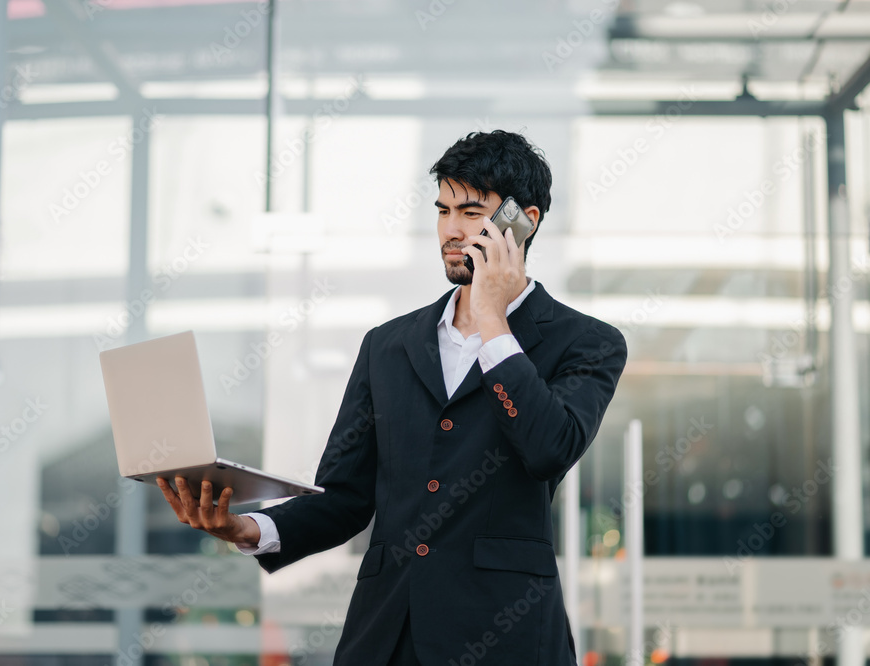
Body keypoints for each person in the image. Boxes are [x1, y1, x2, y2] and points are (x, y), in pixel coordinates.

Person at [157, 129, 627, 665]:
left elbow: (549, 447)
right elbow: (345, 496)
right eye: (443, 210)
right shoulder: (389, 345)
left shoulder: (587, 342)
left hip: (506, 637)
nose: (451, 230)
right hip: (385, 637)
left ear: (525, 221)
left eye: (472, 213)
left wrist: (494, 319)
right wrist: (246, 527)